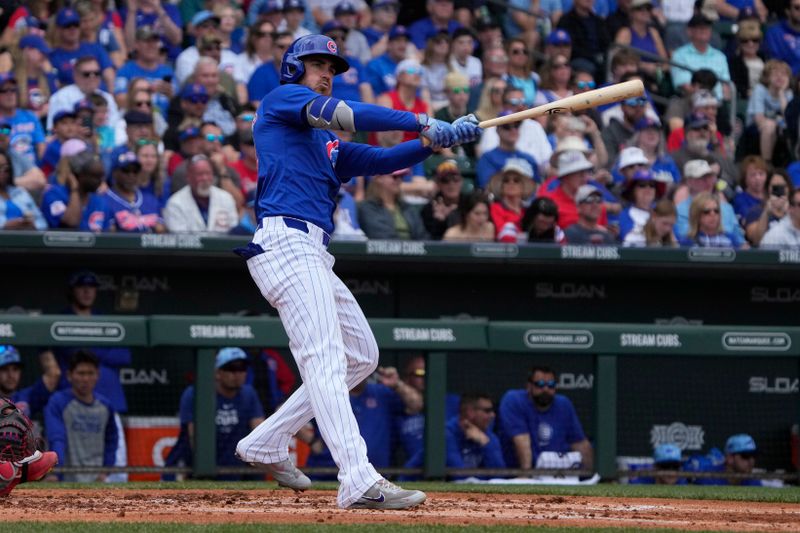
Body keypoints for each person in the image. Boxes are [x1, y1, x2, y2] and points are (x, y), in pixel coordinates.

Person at [233, 33, 479, 510]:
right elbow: (350, 114)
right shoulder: (283, 100)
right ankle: (358, 478)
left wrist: (430, 144)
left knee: (361, 355)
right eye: (318, 64)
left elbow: (380, 160)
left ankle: (266, 440)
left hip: (312, 251)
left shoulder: (323, 141)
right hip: (286, 243)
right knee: (324, 359)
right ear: (293, 68)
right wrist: (422, 119)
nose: (327, 73)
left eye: (332, 67)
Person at [178, 347, 265, 480]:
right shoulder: (195, 393)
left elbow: (259, 431)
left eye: (242, 368)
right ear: (217, 373)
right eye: (231, 368)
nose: (237, 374)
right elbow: (193, 436)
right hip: (200, 469)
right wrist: (205, 469)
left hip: (240, 468)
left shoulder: (249, 394)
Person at [498, 365, 594, 470]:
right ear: (529, 386)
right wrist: (526, 477)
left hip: (558, 472)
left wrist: (592, 476)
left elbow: (579, 443)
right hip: (520, 472)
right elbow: (522, 442)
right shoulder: (514, 399)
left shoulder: (563, 404)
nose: (546, 389)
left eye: (551, 385)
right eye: (540, 384)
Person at [44, 350, 118, 482]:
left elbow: (112, 440)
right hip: (65, 478)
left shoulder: (105, 406)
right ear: (69, 375)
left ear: (98, 375)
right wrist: (56, 472)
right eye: (81, 373)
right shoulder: (58, 402)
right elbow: (57, 438)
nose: (85, 379)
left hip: (97, 480)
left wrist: (105, 471)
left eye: (90, 373)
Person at [163, 154, 239, 234]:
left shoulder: (226, 198)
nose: (205, 178)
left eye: (208, 173)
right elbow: (180, 238)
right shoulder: (175, 203)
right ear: (188, 177)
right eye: (200, 174)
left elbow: (233, 232)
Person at [671, 15, 732, 102]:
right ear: (690, 31)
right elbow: (684, 86)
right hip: (692, 102)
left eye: (707, 27)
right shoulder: (680, 55)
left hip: (719, 104)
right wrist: (705, 100)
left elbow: (726, 86)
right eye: (700, 27)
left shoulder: (720, 56)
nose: (704, 30)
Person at [543, 150, 608, 231]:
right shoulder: (549, 202)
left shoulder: (597, 202)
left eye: (585, 172)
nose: (584, 177)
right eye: (578, 173)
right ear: (565, 176)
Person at [358, 168, 430, 240]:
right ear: (379, 178)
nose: (399, 181)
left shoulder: (407, 208)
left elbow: (423, 237)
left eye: (401, 177)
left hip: (414, 250)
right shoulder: (367, 208)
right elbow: (380, 236)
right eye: (394, 177)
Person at [103, 151, 165, 233]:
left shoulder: (150, 199)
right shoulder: (105, 200)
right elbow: (110, 236)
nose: (131, 175)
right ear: (115, 173)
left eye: (135, 171)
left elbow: (161, 230)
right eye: (126, 171)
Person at [446, 393, 505, 474]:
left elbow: (500, 474)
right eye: (487, 411)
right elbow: (458, 474)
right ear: (470, 412)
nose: (493, 415)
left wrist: (485, 443)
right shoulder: (447, 434)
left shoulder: (488, 437)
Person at [0, 345, 60, 419]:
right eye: (4, 369)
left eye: (15, 369)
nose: (11, 375)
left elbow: (53, 374)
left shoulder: (27, 396)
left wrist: (42, 342)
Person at [489, 158, 537, 243]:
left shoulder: (529, 210)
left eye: (516, 180)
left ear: (523, 187)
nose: (511, 183)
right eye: (506, 180)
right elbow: (502, 233)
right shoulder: (494, 208)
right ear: (501, 186)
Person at [744, 170, 794, 246]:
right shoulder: (756, 211)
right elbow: (756, 241)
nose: (779, 190)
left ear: (789, 188)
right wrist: (766, 213)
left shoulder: (797, 208)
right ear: (768, 189)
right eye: (775, 187)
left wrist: (790, 213)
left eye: (782, 186)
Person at [0, 149, 47, 231]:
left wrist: (33, 225)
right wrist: (5, 226)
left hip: (26, 241)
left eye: (6, 168)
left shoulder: (20, 192)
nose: (2, 172)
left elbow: (42, 223)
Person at [421, 159, 464, 240]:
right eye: (445, 180)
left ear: (461, 181)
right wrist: (440, 221)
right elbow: (429, 241)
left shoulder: (469, 205)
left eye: (455, 179)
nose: (451, 184)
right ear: (438, 184)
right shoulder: (429, 209)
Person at [618, 169, 666, 242]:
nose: (648, 188)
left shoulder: (662, 213)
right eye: (642, 185)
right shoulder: (625, 214)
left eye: (652, 185)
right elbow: (629, 240)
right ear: (633, 191)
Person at [764, 0, 800, 75]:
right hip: (787, 79)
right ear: (787, 11)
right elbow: (775, 63)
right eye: (797, 8)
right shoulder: (774, 33)